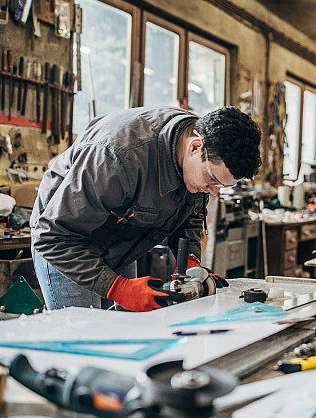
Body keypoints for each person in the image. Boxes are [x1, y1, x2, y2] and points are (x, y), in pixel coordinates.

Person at [30, 106, 262, 312]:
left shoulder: (204, 148)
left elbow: (190, 212)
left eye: (222, 185)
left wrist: (191, 261)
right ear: (195, 146)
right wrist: (118, 288)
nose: (213, 191)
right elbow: (52, 237)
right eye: (212, 179)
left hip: (122, 238)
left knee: (124, 332)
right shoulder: (118, 156)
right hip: (67, 242)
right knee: (80, 338)